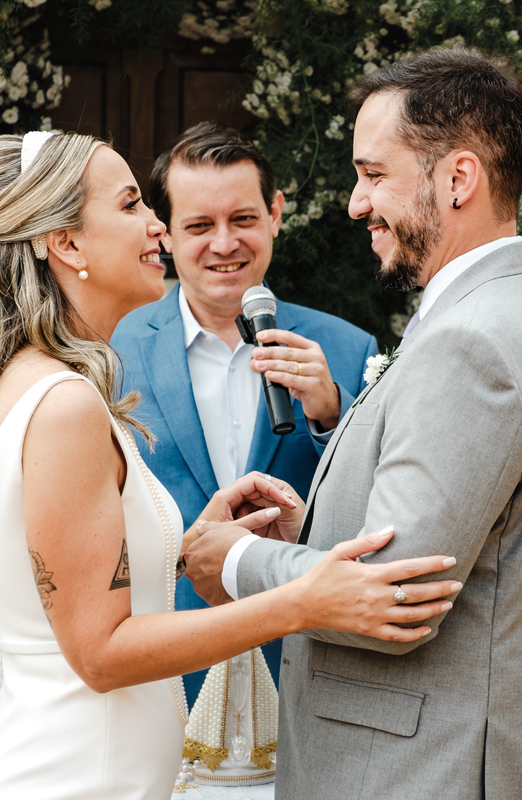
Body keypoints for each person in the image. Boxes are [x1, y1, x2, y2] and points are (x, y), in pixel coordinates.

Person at [0, 131, 463, 800]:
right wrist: (300, 600)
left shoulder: (23, 383)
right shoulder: (64, 405)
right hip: (71, 781)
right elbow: (100, 654)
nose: (157, 225)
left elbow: (58, 593)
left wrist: (188, 547)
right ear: (67, 244)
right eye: (131, 204)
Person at [185, 48, 522, 798]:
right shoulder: (493, 315)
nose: (355, 204)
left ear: (458, 179)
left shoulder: (472, 343)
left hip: (423, 772)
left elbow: (392, 596)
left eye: (373, 175)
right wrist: (316, 533)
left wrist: (236, 560)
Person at [111, 121, 378, 702]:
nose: (225, 243)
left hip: (304, 667)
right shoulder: (112, 351)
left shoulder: (350, 349)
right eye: (199, 226)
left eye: (243, 219)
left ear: (275, 213)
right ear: (165, 233)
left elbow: (377, 516)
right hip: (165, 667)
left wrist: (330, 416)